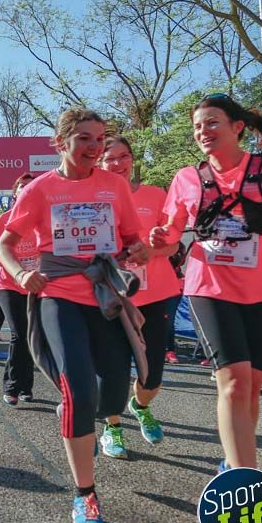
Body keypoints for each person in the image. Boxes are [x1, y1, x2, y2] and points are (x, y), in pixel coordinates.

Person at [150, 94, 262, 472]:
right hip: (208, 286)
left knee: (251, 384)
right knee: (233, 381)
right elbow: (169, 238)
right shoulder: (187, 178)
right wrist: (157, 241)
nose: (203, 131)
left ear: (237, 127)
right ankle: (242, 475)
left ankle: (235, 458)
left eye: (211, 122)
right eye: (198, 126)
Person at [0, 107, 149, 523]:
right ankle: (85, 494)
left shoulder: (114, 186)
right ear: (61, 142)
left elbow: (133, 239)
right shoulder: (40, 189)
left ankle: (84, 416)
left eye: (99, 139)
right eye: (84, 138)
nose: (94, 147)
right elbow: (6, 243)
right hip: (58, 295)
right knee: (80, 393)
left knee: (113, 391)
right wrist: (21, 273)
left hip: (105, 294)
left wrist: (140, 250)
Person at [99, 136, 182, 456]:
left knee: (153, 375)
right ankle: (112, 428)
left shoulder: (155, 195)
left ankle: (141, 405)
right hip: (111, 296)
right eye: (110, 158)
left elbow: (174, 245)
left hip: (155, 293)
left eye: (123, 156)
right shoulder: (94, 198)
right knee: (113, 368)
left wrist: (152, 251)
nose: (117, 163)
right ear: (100, 162)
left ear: (132, 159)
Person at [0, 173, 38, 405]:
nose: (27, 189)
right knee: (19, 333)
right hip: (8, 284)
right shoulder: (3, 221)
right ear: (15, 193)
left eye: (31, 186)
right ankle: (12, 387)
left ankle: (26, 386)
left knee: (32, 335)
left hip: (34, 284)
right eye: (22, 186)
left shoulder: (43, 219)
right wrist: (1, 255)